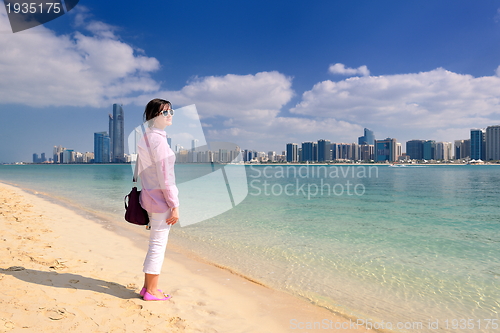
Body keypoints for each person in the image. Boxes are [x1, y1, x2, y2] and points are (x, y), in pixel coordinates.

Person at [137, 98, 180, 301]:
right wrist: (174, 205)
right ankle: (152, 291)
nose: (170, 114)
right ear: (154, 116)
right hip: (161, 201)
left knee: (155, 243)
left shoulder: (145, 138)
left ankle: (148, 288)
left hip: (149, 198)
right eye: (165, 112)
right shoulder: (159, 141)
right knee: (157, 245)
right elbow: (166, 177)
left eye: (171, 111)